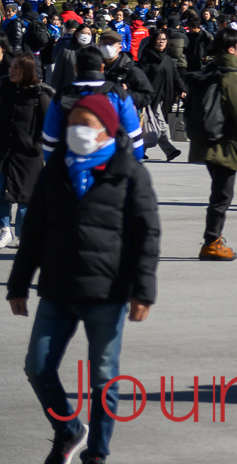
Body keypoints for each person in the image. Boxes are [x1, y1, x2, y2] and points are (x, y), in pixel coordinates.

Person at [8, 92, 160, 464]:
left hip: (107, 293)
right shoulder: (56, 169)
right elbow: (34, 232)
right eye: (73, 123)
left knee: (103, 377)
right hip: (58, 289)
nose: (77, 130)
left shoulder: (129, 172)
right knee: (38, 366)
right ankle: (68, 429)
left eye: (86, 123)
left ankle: (97, 453)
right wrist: (18, 284)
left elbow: (147, 233)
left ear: (108, 130)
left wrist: (144, 291)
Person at [188, 29, 237, 261]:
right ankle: (212, 242)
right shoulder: (231, 76)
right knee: (222, 196)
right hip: (225, 145)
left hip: (206, 142)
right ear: (231, 49)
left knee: (219, 194)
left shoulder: (210, 70)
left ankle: (213, 239)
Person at [0, 53, 50, 249]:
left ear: (27, 71)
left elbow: (48, 124)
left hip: (28, 155)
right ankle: (4, 229)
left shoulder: (39, 94)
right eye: (11, 66)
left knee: (25, 198)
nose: (11, 70)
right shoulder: (3, 88)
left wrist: (36, 145)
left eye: (16, 68)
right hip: (4, 151)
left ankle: (24, 233)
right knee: (0, 191)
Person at [135, 28, 184, 162]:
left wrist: (182, 89)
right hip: (150, 98)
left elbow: (175, 76)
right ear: (153, 41)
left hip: (164, 97)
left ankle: (142, 150)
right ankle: (170, 150)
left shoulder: (168, 59)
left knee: (154, 126)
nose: (161, 42)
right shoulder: (147, 57)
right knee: (160, 125)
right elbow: (139, 76)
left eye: (164, 40)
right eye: (158, 39)